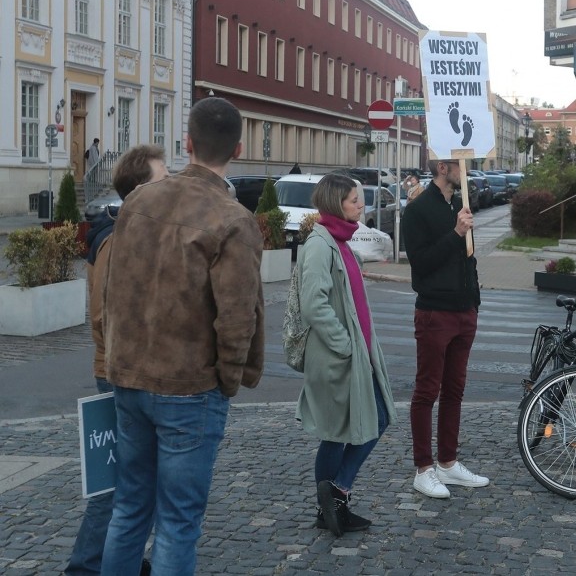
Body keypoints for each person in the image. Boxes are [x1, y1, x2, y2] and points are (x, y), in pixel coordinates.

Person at [99, 97, 265, 576]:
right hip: (190, 387)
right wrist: (228, 380)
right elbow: (237, 318)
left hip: (130, 377)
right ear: (237, 148)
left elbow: (114, 289)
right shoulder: (234, 219)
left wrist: (116, 359)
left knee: (129, 510)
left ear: (187, 142)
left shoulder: (138, 201)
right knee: (176, 523)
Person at [64, 145, 168, 576]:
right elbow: (108, 315)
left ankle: (111, 560)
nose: (172, 185)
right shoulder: (118, 239)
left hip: (126, 369)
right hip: (120, 371)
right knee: (117, 483)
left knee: (131, 481)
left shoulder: (133, 231)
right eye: (165, 178)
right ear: (142, 188)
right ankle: (87, 566)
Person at [297, 173, 397, 537]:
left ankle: (331, 507)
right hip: (340, 356)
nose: (361, 204)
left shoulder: (340, 242)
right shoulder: (321, 245)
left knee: (345, 430)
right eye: (355, 199)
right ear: (336, 203)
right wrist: (344, 345)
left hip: (357, 353)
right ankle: (336, 493)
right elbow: (313, 303)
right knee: (368, 421)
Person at [401, 159, 489, 499]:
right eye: (459, 165)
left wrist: (474, 301)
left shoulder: (459, 204)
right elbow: (420, 263)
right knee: (427, 391)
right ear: (441, 166)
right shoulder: (418, 210)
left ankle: (448, 463)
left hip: (464, 310)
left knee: (455, 391)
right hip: (435, 311)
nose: (465, 171)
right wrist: (456, 233)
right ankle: (423, 469)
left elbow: (468, 259)